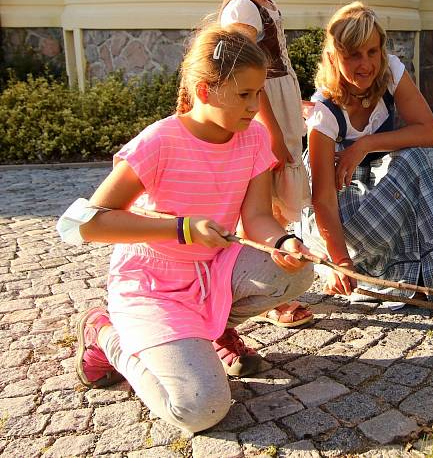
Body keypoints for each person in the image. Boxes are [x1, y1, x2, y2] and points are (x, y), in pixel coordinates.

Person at [57, 26, 316, 433]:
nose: (255, 106)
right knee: (201, 409)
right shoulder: (160, 141)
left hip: (212, 273)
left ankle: (214, 331)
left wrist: (282, 241)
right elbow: (83, 224)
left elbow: (258, 219)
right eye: (245, 94)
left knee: (297, 270)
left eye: (258, 93)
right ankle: (106, 333)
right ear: (205, 90)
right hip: (152, 287)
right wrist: (181, 229)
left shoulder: (253, 139)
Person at [302, 1, 433, 302]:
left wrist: (365, 144)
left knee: (413, 159)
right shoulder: (324, 112)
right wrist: (341, 261)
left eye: (372, 52)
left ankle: (431, 271)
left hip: (380, 194)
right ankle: (388, 270)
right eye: (353, 54)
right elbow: (323, 200)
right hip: (342, 210)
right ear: (334, 57)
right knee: (408, 164)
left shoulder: (389, 71)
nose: (366, 64)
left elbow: (429, 133)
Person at [218, 0, 314, 327]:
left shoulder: (261, 1)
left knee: (276, 203)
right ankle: (271, 292)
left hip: (278, 107)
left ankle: (273, 283)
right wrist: (271, 133)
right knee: (269, 204)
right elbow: (244, 77)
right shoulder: (243, 7)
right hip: (264, 117)